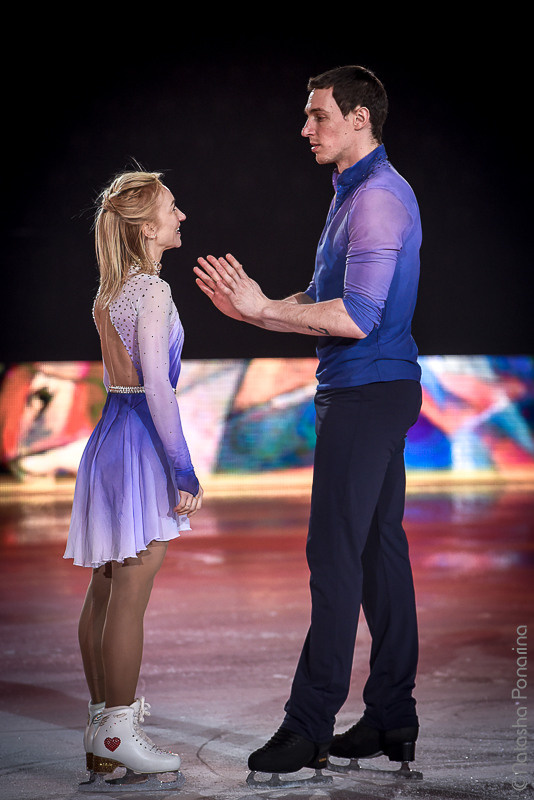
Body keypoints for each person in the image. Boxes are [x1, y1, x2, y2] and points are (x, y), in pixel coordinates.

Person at [194, 65, 422, 779]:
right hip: (374, 391)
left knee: (335, 559)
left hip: (366, 397)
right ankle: (392, 715)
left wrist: (263, 310)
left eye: (318, 115)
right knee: (378, 557)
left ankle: (308, 725)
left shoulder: (376, 199)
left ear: (360, 118)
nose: (305, 128)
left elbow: (356, 317)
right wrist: (258, 311)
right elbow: (327, 297)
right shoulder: (355, 191)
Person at [64, 170, 203, 788]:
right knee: (130, 593)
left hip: (106, 442)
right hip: (140, 442)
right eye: (172, 208)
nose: (180, 217)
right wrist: (184, 467)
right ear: (146, 228)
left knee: (104, 588)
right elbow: (158, 389)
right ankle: (119, 734)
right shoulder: (151, 290)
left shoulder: (109, 291)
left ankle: (101, 731)